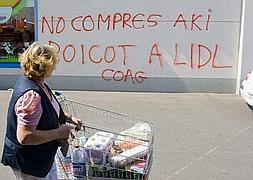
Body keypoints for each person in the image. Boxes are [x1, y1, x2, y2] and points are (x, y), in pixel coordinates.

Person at [1, 42, 82, 179]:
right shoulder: (31, 96)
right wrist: (59, 132)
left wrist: (68, 118)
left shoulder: (37, 82)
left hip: (43, 157)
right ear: (47, 67)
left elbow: (48, 108)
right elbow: (25, 136)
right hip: (30, 164)